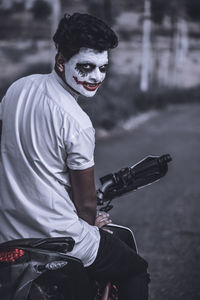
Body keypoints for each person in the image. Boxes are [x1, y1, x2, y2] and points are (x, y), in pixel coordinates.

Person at [0, 13, 149, 299]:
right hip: (60, 238)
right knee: (134, 268)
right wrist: (93, 221)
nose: (96, 77)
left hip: (9, 234)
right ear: (60, 61)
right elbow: (85, 205)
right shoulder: (76, 122)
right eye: (86, 67)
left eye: (103, 68)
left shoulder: (17, 89)